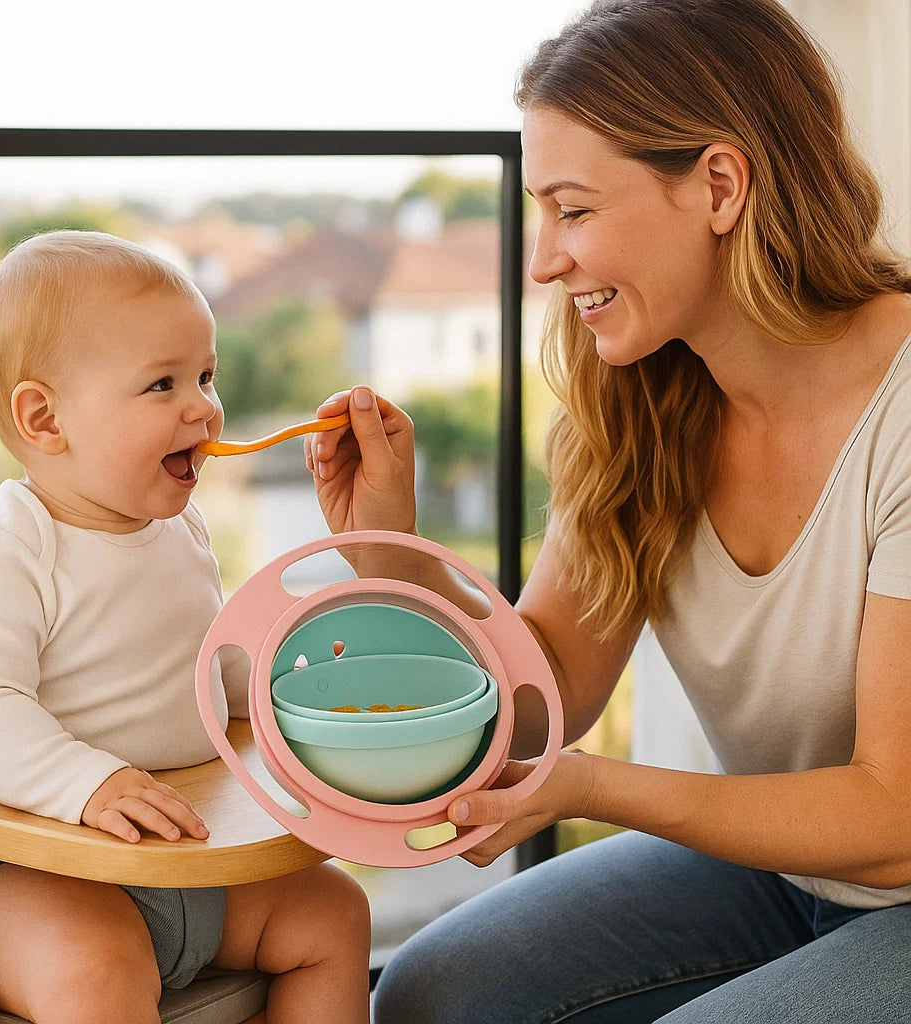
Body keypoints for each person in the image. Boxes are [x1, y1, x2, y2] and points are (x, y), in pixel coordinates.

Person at [304, 1, 911, 1020]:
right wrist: (393, 558)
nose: (544, 260)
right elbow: (546, 698)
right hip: (791, 875)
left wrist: (587, 787)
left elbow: (894, 812)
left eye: (573, 211)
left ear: (718, 185)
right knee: (432, 990)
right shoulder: (644, 402)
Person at [0, 230, 371, 1024]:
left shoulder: (180, 528)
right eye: (162, 385)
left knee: (332, 912)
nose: (204, 405)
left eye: (205, 374)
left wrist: (274, 678)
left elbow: (200, 666)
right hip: (24, 868)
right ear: (44, 418)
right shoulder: (8, 544)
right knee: (94, 971)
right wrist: (84, 784)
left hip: (181, 854)